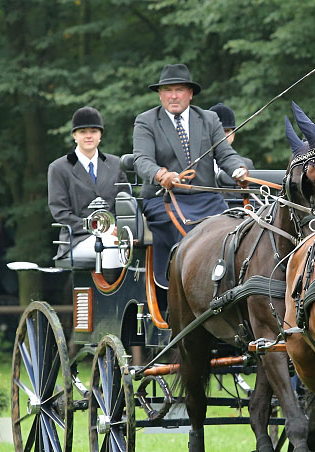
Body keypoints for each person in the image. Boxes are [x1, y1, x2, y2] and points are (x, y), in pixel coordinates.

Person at [132, 64, 247, 290]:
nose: (173, 96)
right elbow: (141, 160)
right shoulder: (146, 121)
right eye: (167, 90)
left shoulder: (210, 119)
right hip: (163, 199)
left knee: (235, 231)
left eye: (180, 90)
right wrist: (161, 174)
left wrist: (238, 170)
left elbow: (225, 154)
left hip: (207, 198)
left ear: (190, 94)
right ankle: (184, 291)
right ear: (160, 94)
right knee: (191, 234)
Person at [48, 106, 130, 280]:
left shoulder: (116, 164)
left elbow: (124, 204)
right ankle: (111, 299)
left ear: (100, 135)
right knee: (111, 245)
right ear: (74, 135)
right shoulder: (59, 168)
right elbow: (60, 212)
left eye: (93, 131)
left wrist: (119, 228)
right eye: (82, 131)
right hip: (77, 238)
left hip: (116, 234)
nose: (88, 136)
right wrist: (100, 230)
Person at [208, 103, 255, 199]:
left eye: (226, 131)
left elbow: (254, 203)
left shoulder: (246, 165)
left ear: (234, 134)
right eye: (218, 132)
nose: (222, 136)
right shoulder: (197, 165)